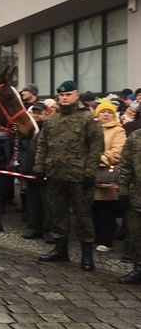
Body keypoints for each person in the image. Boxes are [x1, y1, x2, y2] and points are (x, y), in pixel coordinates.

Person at [35, 80, 104, 271]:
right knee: (58, 214)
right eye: (61, 95)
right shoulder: (51, 119)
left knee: (83, 217)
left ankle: (87, 256)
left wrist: (90, 173)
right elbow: (43, 145)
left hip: (79, 177)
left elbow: (96, 147)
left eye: (68, 95)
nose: (64, 98)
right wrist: (39, 168)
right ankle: (60, 250)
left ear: (76, 95)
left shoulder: (87, 118)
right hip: (55, 175)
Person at [91, 100, 126, 252]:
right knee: (94, 210)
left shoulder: (118, 130)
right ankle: (96, 237)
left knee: (107, 211)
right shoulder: (92, 129)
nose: (106, 114)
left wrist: (99, 158)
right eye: (103, 111)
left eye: (109, 112)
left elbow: (118, 152)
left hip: (106, 175)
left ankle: (106, 240)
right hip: (91, 174)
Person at [19, 102, 51, 240]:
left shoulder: (49, 129)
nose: (36, 115)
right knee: (33, 203)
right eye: (34, 112)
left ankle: (49, 231)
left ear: (45, 114)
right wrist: (22, 163)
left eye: (39, 113)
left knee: (47, 204)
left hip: (45, 173)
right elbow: (22, 148)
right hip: (29, 170)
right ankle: (35, 228)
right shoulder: (28, 128)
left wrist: (43, 169)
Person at [117, 129, 141, 284]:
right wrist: (123, 191)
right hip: (137, 196)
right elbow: (125, 166)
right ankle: (138, 268)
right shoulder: (136, 136)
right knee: (137, 235)